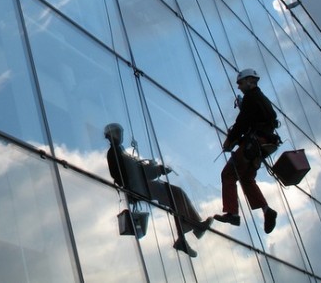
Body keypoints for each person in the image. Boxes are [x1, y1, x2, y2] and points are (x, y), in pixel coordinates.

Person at [104, 123, 212, 258]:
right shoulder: (115, 152)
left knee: (176, 197)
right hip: (137, 187)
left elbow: (132, 171)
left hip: (138, 185)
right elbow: (132, 172)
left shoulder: (117, 151)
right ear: (112, 134)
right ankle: (192, 229)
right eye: (118, 133)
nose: (120, 136)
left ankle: (186, 235)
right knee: (176, 195)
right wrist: (157, 170)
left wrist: (150, 169)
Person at [215, 68, 280, 234]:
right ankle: (267, 210)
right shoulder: (262, 100)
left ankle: (232, 213)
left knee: (228, 174)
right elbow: (257, 121)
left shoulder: (251, 98)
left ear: (250, 81)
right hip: (260, 147)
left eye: (240, 82)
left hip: (254, 144)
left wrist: (230, 140)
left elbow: (242, 122)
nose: (239, 87)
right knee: (246, 179)